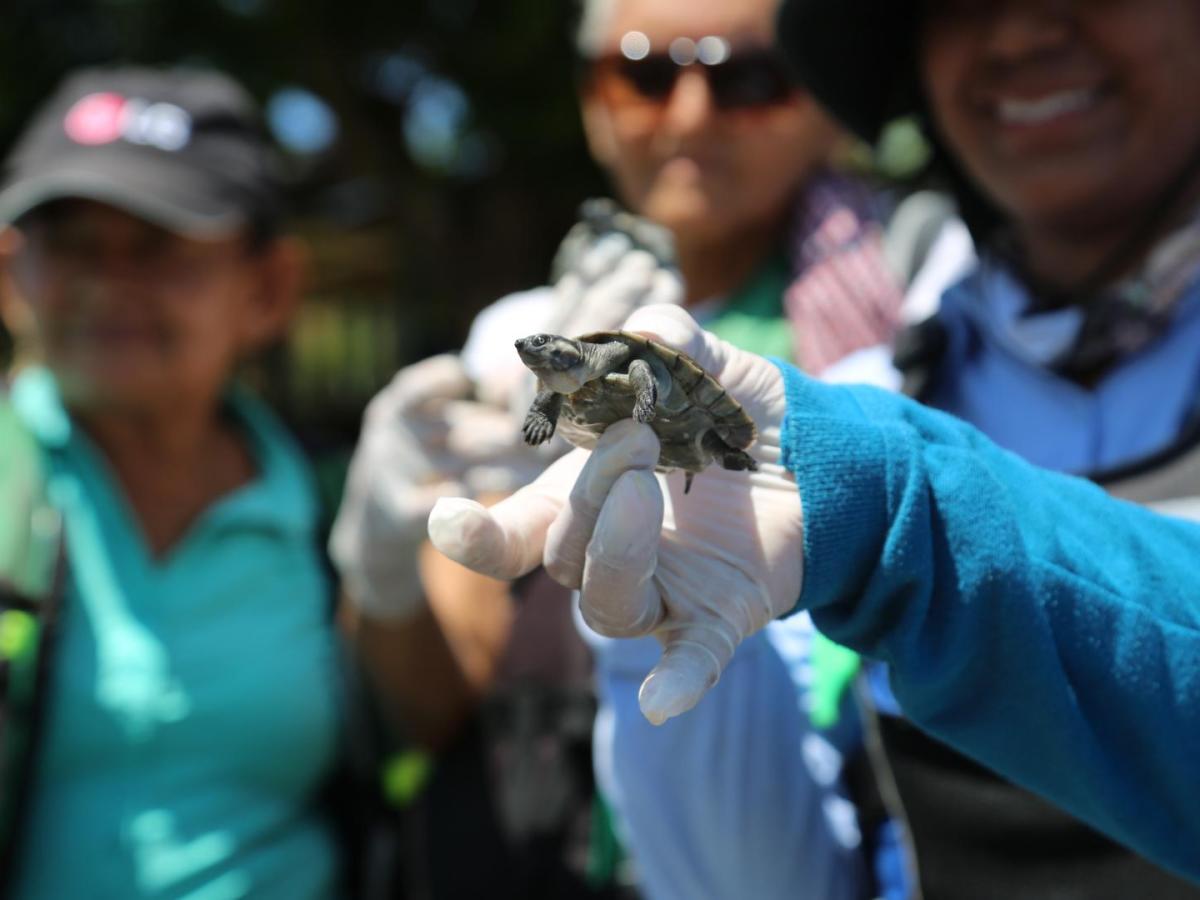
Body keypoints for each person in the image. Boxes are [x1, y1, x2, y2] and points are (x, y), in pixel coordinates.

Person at [427, 0, 1200, 889]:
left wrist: (907, 518)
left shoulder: (858, 445)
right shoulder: (874, 393)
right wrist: (658, 614)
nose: (1020, 33)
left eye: (745, 80)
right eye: (961, 3)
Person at [330, 0, 926, 896]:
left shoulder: (914, 313)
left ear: (823, 102)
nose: (691, 114)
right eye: (645, 73)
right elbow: (437, 702)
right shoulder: (523, 333)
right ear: (593, 101)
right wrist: (381, 562)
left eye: (747, 79)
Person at [0, 67, 350, 898]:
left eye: (159, 247)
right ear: (12, 272)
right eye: (73, 243)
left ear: (267, 289)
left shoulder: (333, 514)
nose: (108, 284)